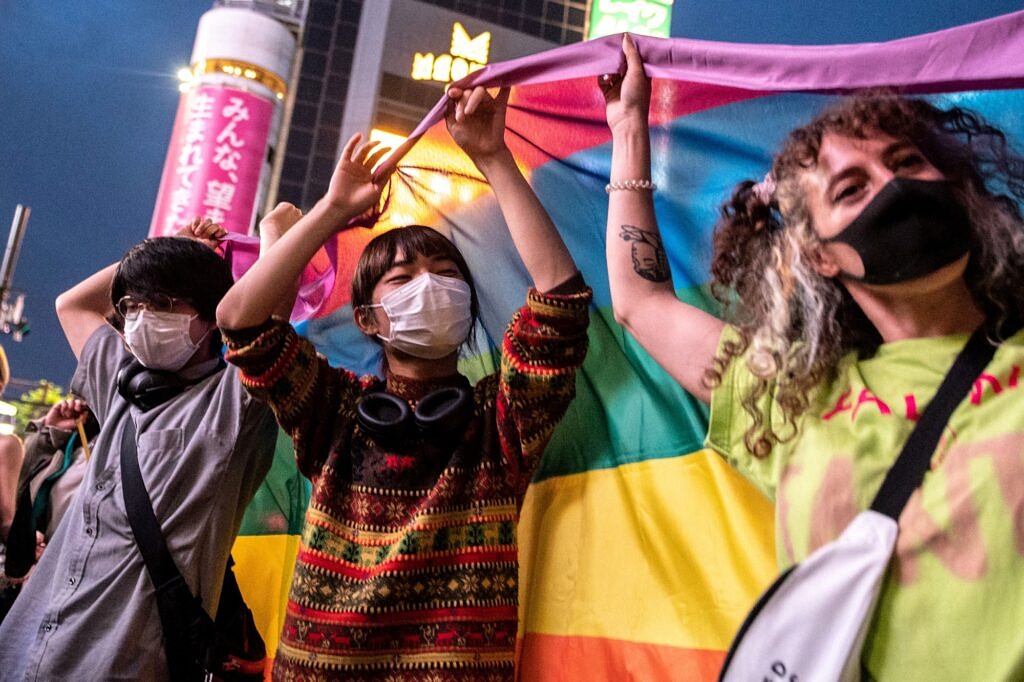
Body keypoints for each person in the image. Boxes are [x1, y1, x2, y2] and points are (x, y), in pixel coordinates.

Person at [602, 35, 1024, 680]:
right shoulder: (794, 397)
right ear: (819, 254)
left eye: (908, 162)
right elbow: (641, 303)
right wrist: (630, 125)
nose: (894, 188)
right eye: (852, 188)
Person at [216, 85, 591, 680]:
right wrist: (333, 211)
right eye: (402, 277)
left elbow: (561, 305)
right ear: (366, 319)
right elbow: (241, 322)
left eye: (445, 273)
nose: (430, 284)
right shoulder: (333, 408)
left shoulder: (501, 419)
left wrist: (494, 159)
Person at [0, 223, 279, 680]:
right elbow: (72, 304)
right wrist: (172, 246)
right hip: (24, 653)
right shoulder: (124, 383)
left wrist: (271, 239)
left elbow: (264, 314)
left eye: (165, 304)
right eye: (132, 305)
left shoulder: (236, 402)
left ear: (212, 315)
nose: (142, 317)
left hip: (122, 664)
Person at [0, 398, 97, 621]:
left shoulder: (120, 443)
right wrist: (48, 435)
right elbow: (26, 496)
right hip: (37, 587)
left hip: (73, 597)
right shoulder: (75, 441)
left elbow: (10, 519)